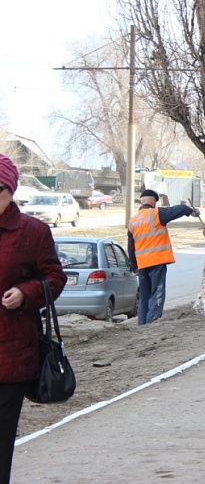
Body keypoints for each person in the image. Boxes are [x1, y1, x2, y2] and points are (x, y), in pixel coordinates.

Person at [0, 154, 67, 483]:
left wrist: (26, 293)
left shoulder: (33, 232)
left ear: (11, 190)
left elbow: (55, 278)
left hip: (9, 356)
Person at [128, 189, 200, 325]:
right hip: (157, 260)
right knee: (157, 292)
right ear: (152, 201)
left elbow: (130, 246)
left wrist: (134, 266)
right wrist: (191, 212)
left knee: (144, 295)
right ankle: (152, 323)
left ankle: (142, 324)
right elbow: (180, 209)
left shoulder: (133, 221)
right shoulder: (156, 214)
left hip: (142, 264)